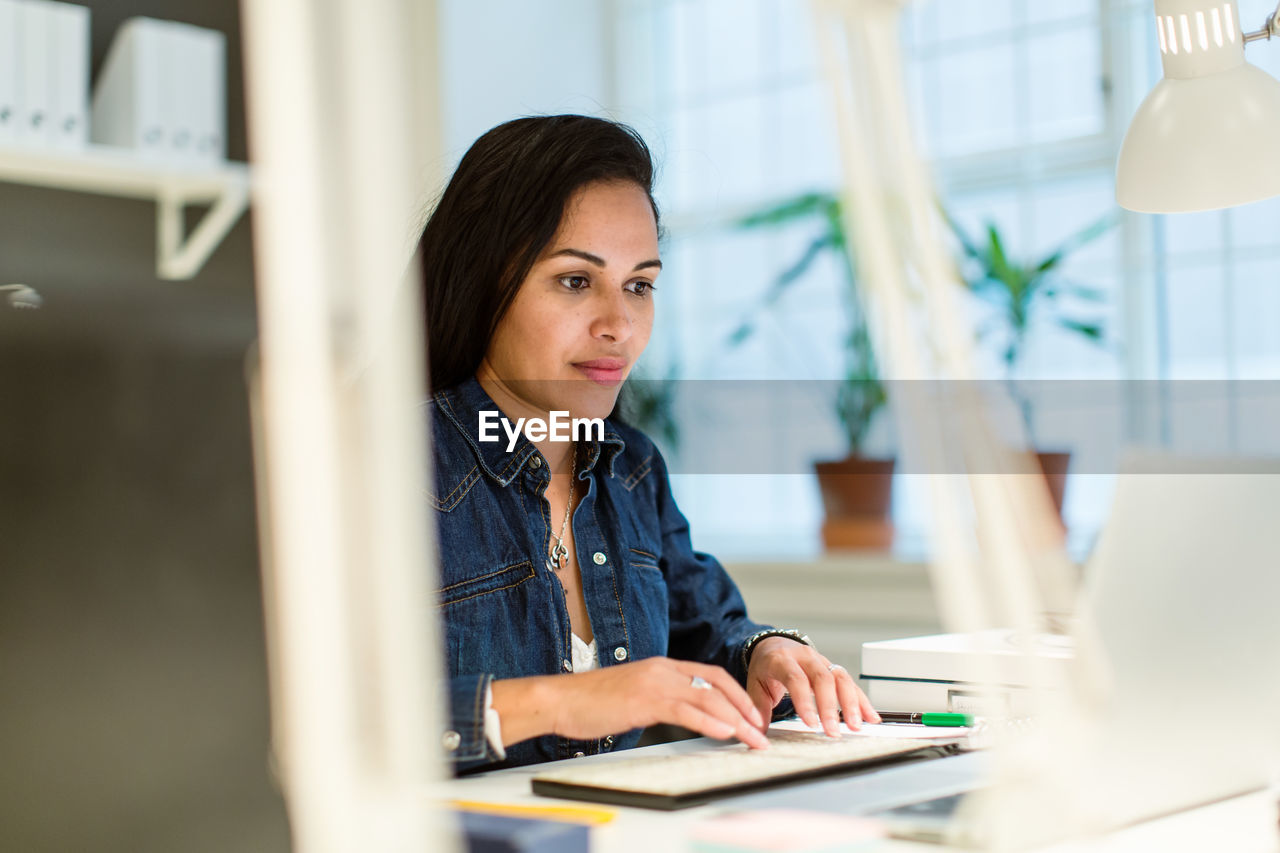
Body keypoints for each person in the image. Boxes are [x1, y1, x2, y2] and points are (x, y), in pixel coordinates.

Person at [418, 114, 880, 773]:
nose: (620, 324)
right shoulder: (387, 465)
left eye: (639, 284)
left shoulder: (631, 467)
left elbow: (709, 630)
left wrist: (768, 652)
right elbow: (328, 715)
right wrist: (562, 700)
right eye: (577, 280)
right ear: (485, 278)